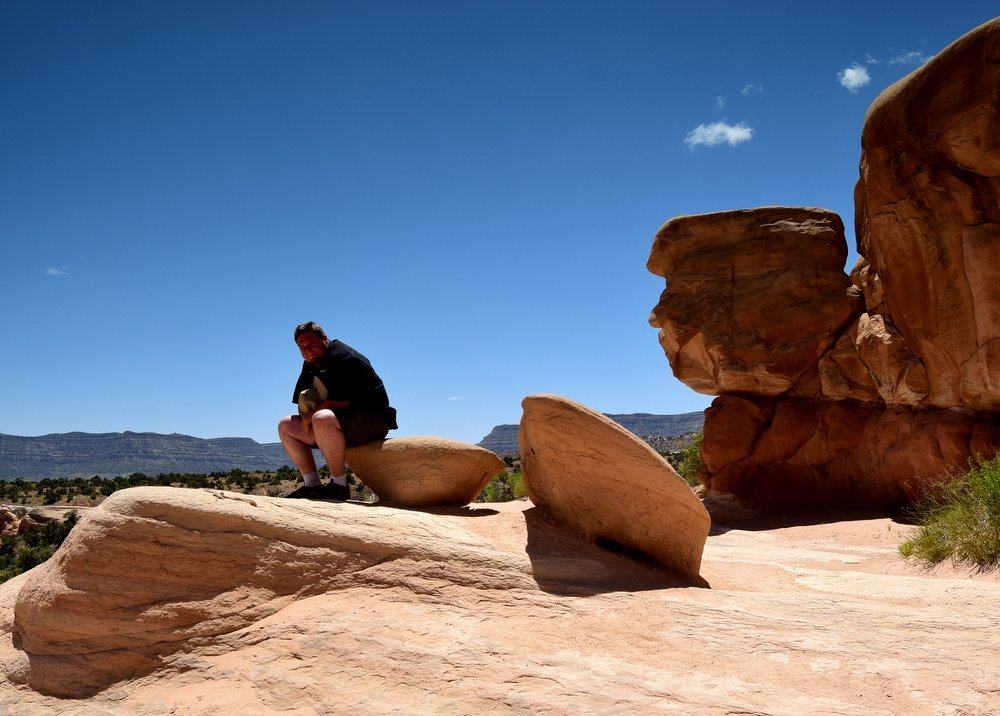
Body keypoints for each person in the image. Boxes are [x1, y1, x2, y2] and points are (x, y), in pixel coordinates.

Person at [278, 321, 397, 500]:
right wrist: (305, 418)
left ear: (324, 338)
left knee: (321, 417)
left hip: (370, 421)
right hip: (336, 423)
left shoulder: (347, 358)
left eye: (311, 344)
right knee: (285, 425)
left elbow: (356, 400)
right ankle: (312, 485)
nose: (307, 351)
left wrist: (317, 412)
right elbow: (302, 397)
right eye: (302, 348)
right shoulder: (310, 363)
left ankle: (339, 485)